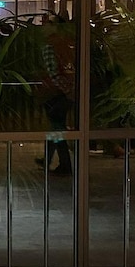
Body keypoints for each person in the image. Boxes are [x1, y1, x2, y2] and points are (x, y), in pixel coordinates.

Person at [35, 17, 75, 176]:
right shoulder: (66, 44)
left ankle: (65, 165)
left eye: (45, 24)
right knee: (55, 127)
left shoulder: (49, 47)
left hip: (54, 94)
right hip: (64, 92)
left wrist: (66, 91)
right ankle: (49, 159)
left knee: (57, 128)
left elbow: (53, 74)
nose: (42, 28)